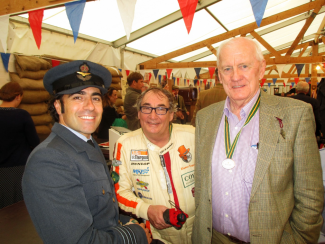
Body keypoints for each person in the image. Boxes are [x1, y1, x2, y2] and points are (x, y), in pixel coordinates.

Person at [192, 37, 323, 244]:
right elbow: (200, 184)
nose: (235, 76)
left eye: (244, 66)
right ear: (219, 74)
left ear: (261, 69)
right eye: (227, 69)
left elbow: (311, 196)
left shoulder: (295, 115)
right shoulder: (204, 118)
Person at [22, 60, 151, 244]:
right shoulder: (49, 159)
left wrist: (126, 222)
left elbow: (101, 212)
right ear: (58, 106)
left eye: (96, 98)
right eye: (77, 97)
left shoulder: (86, 143)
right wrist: (135, 235)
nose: (90, 106)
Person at [112, 87, 195, 244]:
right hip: (158, 236)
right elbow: (119, 191)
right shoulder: (125, 144)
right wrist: (146, 209)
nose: (152, 115)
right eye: (146, 108)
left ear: (172, 114)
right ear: (138, 113)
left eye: (161, 109)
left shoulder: (192, 135)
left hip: (199, 232)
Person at [0, 81, 39, 209]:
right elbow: (34, 142)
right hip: (18, 168)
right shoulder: (22, 115)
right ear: (18, 96)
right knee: (17, 206)